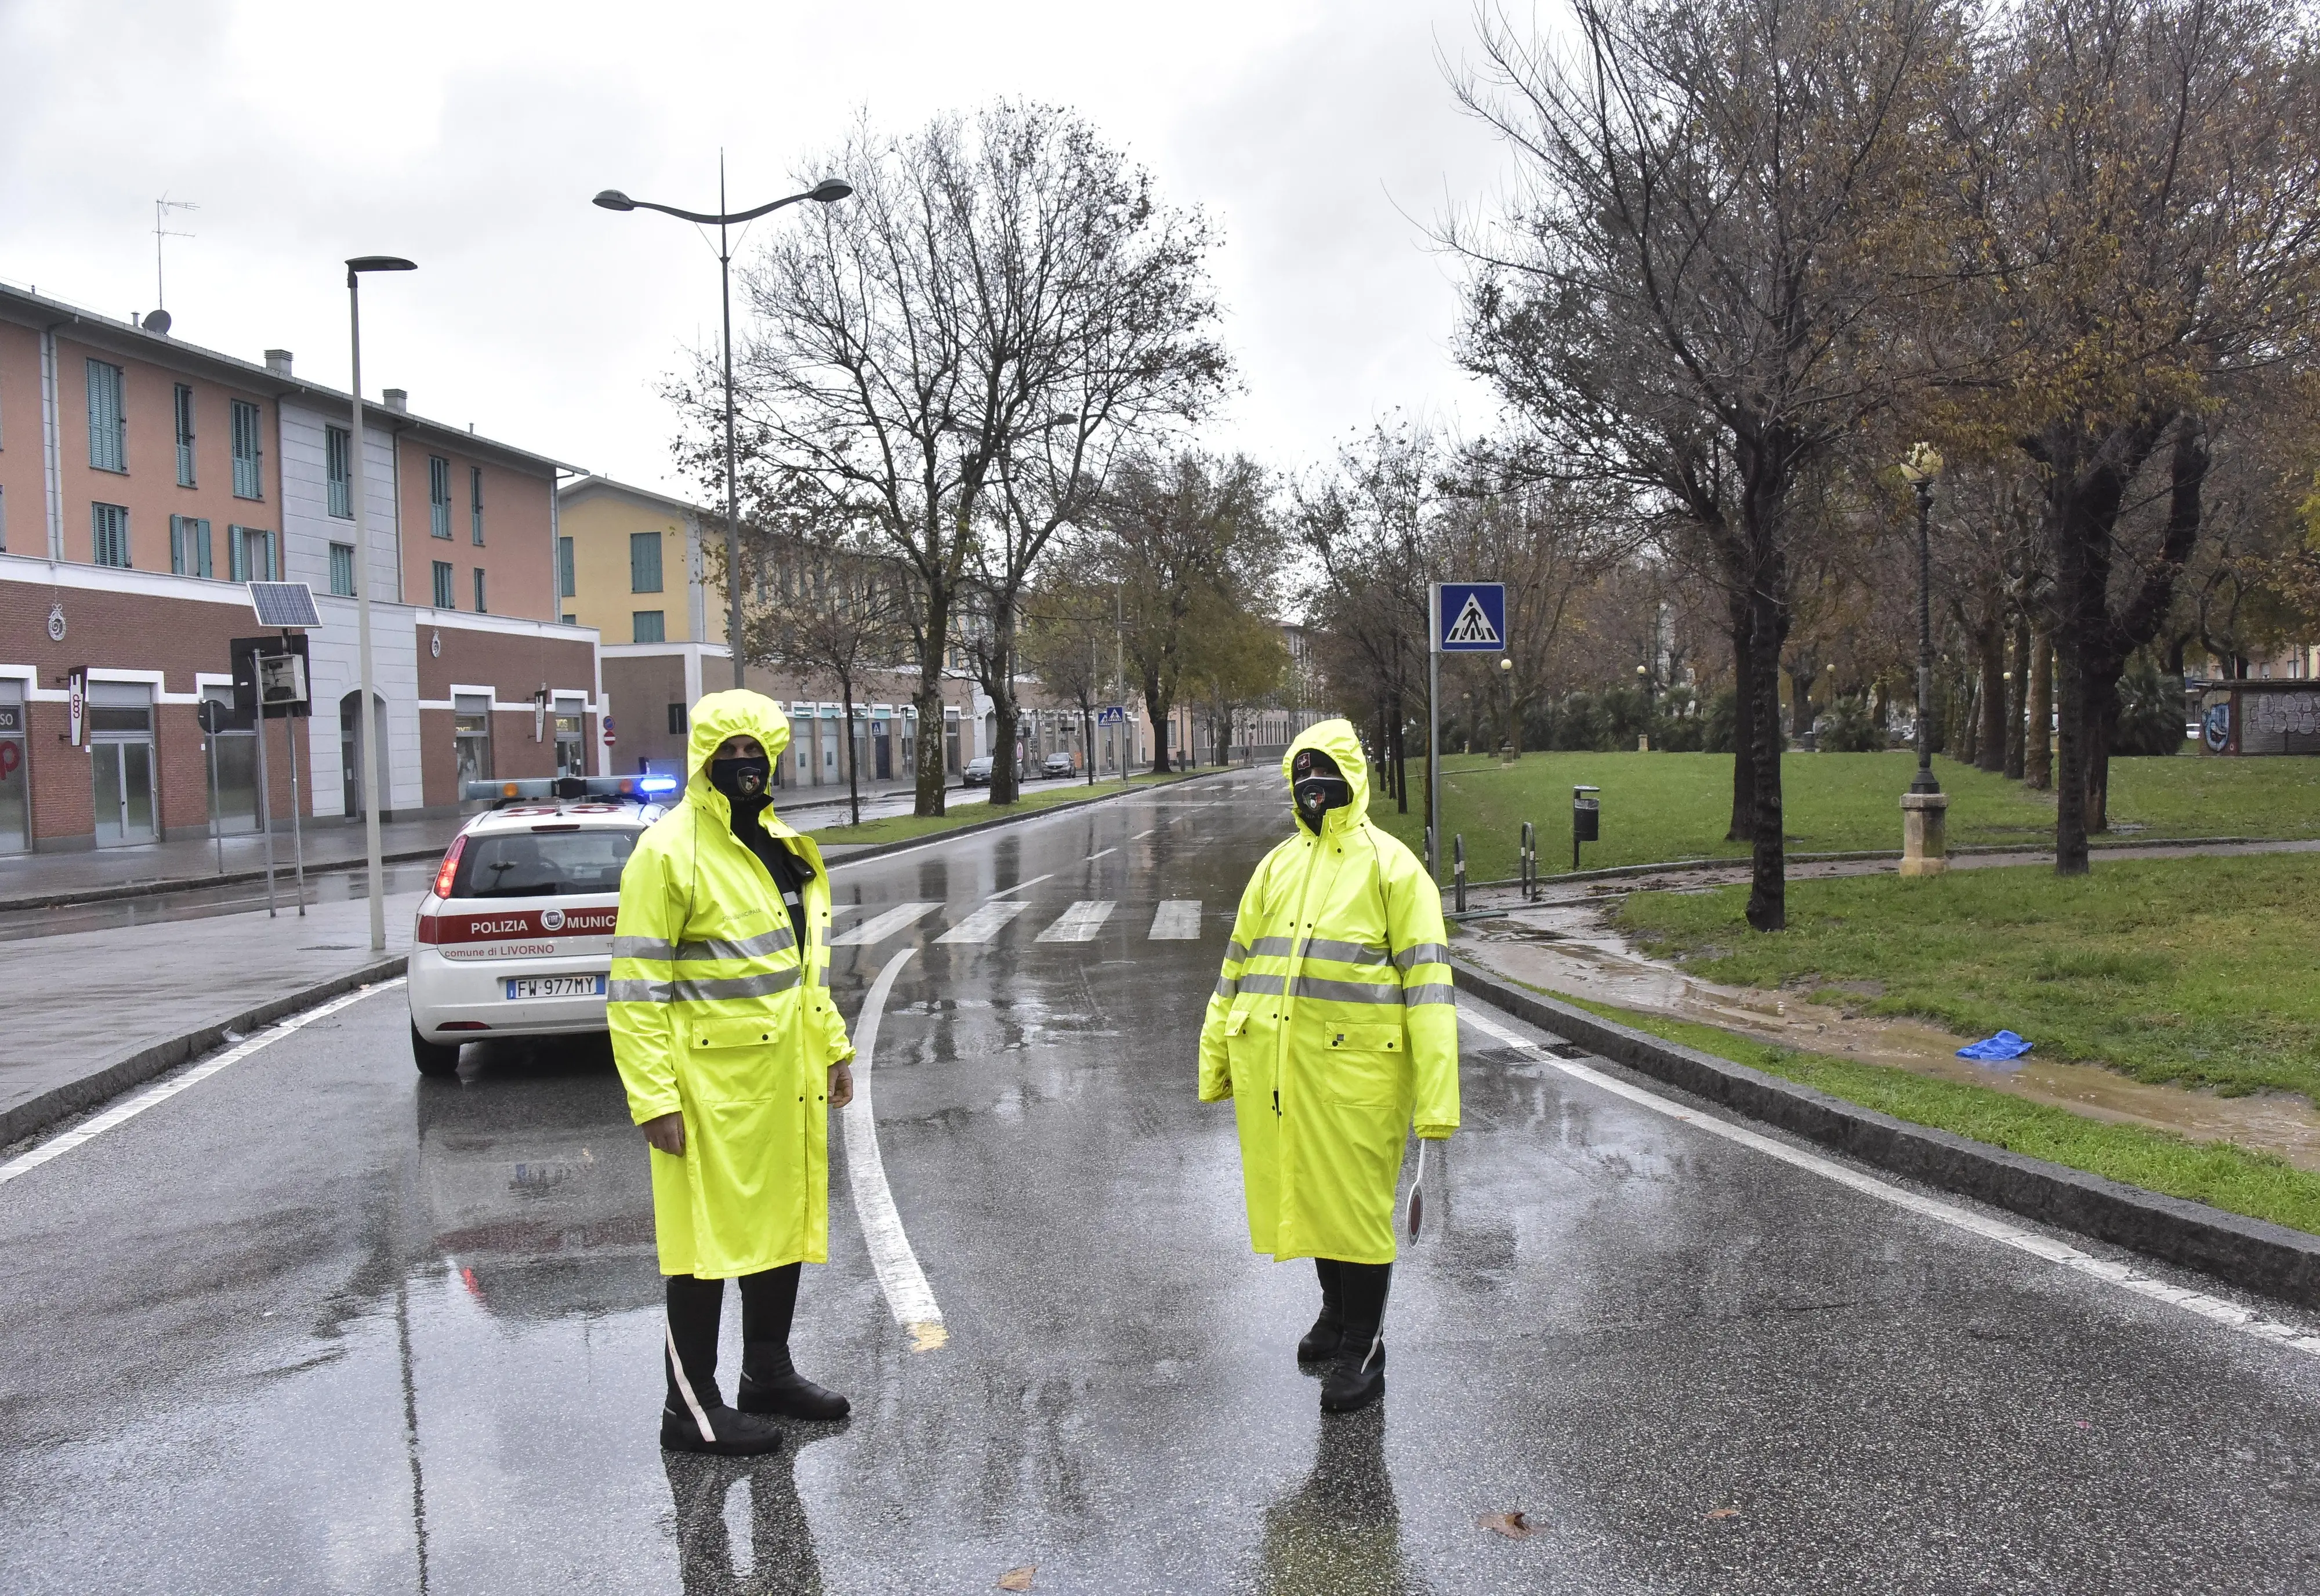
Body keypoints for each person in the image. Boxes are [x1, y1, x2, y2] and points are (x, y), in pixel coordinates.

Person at [611, 690, 856, 1456]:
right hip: (706, 1091)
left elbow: (799, 972)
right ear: (705, 759)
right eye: (731, 752)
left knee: (779, 1227)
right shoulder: (668, 852)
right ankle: (690, 1408)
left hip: (783, 1079)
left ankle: (767, 1374)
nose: (746, 764)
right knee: (703, 1249)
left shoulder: (782, 845)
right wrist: (653, 1098)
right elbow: (635, 990)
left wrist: (836, 1047)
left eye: (758, 751)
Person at [1198, 719, 1459, 1413]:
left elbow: (1430, 992)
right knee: (1312, 1197)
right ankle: (1335, 1317)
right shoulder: (1278, 866)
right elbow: (1236, 966)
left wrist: (1436, 1101)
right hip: (1289, 1077)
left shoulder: (1393, 868)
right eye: (1302, 777)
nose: (1315, 791)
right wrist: (1218, 1052)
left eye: (1327, 777)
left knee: (1359, 1211)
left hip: (1361, 1082)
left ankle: (1364, 1347)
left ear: (1352, 779)